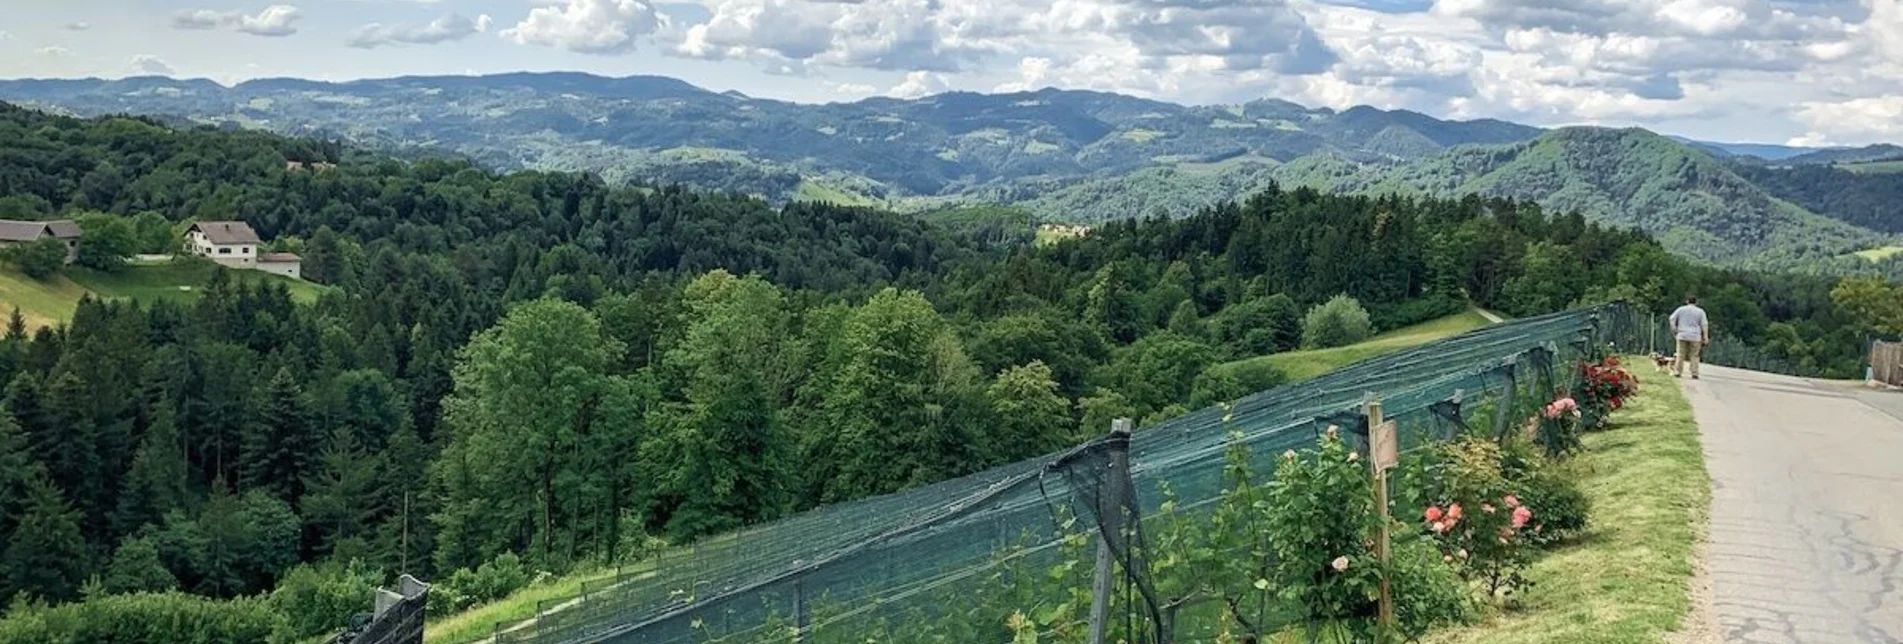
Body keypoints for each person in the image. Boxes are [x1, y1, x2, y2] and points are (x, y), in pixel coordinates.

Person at [1669, 295, 1709, 379]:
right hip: (1695, 336)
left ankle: (1678, 371)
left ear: (1687, 301)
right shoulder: (1700, 312)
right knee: (1694, 355)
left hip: (1682, 334)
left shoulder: (1681, 309)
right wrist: (1705, 336)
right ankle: (1694, 373)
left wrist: (1674, 329)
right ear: (1696, 302)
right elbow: (1704, 324)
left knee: (1680, 354)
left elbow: (1672, 318)